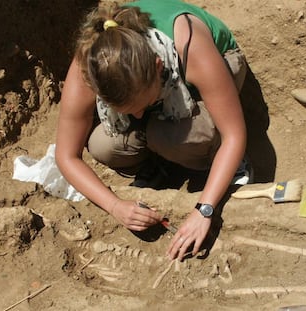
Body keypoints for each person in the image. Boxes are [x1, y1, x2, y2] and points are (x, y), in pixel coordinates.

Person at [55, 0, 275, 261]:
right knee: (105, 146)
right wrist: (114, 206)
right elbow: (66, 156)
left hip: (213, 65)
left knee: (178, 138)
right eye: (127, 111)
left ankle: (230, 165)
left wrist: (204, 210)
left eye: (142, 105)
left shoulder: (191, 46)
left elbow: (234, 135)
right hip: (158, 89)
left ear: (159, 67)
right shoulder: (92, 63)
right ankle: (158, 164)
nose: (136, 117)